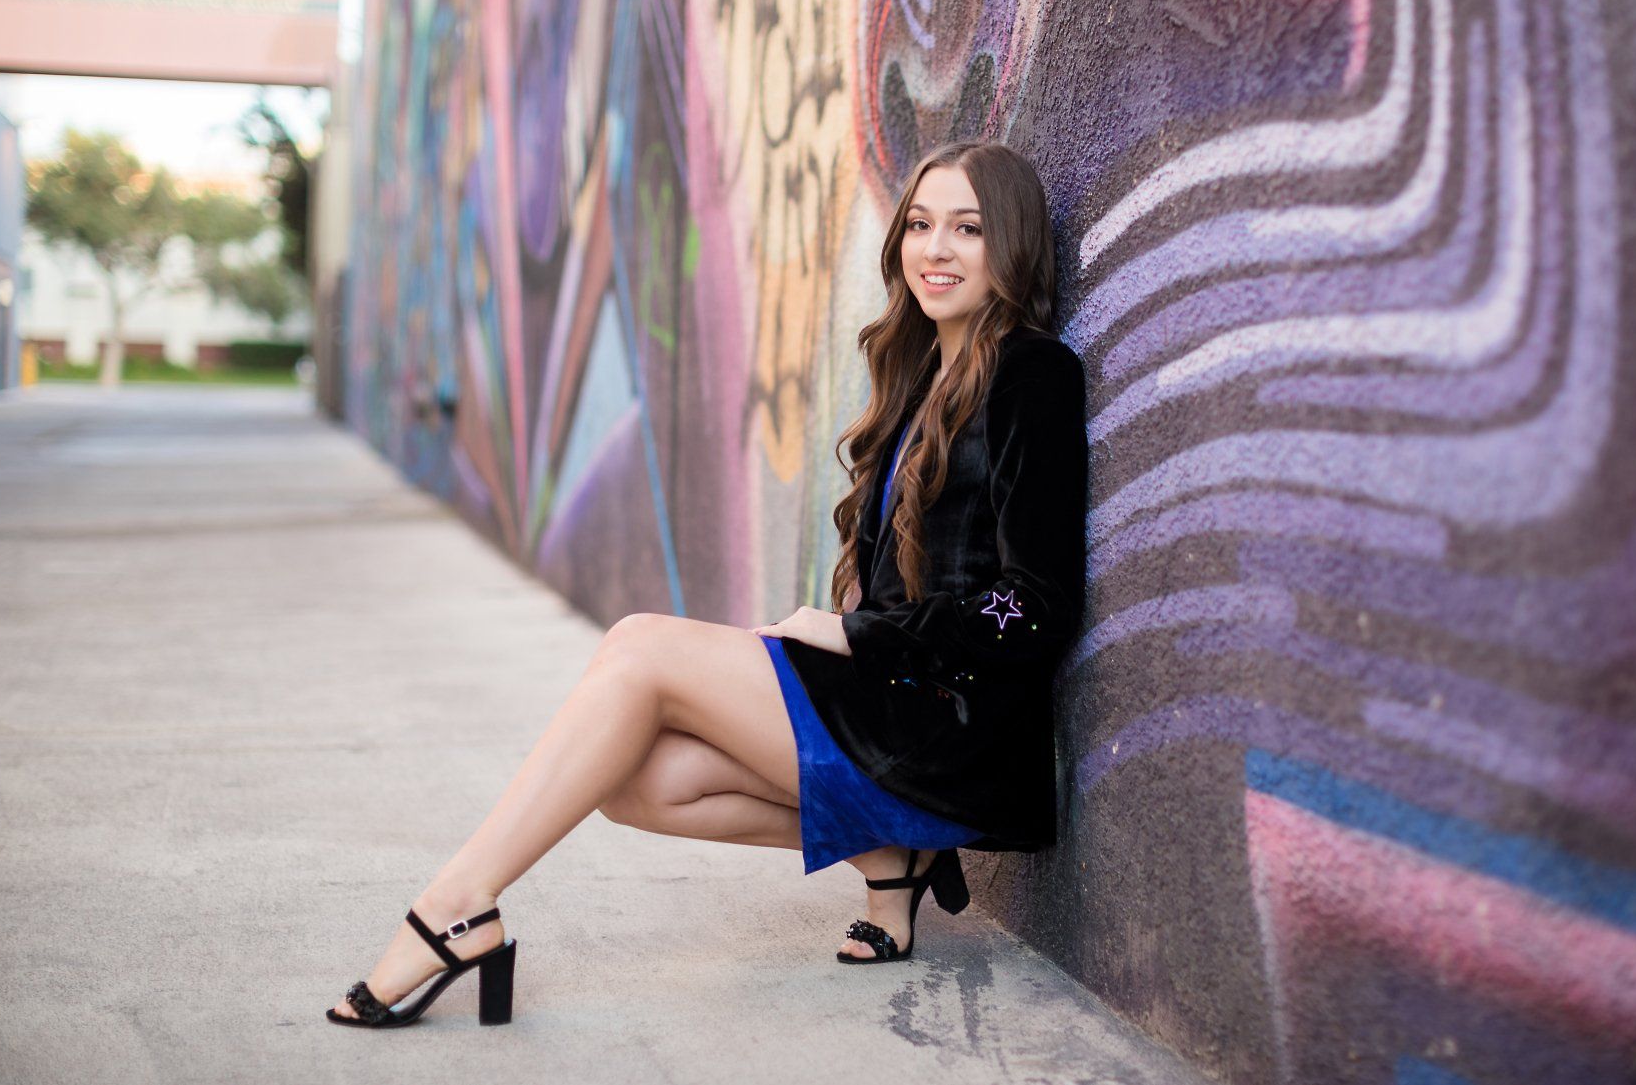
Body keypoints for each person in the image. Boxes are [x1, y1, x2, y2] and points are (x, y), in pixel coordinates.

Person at [326, 139, 1090, 1027]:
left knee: (641, 647)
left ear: (1015, 244)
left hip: (955, 725)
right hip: (899, 696)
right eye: (920, 224)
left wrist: (861, 636)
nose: (935, 249)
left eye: (968, 228)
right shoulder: (920, 372)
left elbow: (1036, 604)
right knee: (635, 784)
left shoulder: (1034, 372)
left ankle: (459, 902)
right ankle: (892, 855)